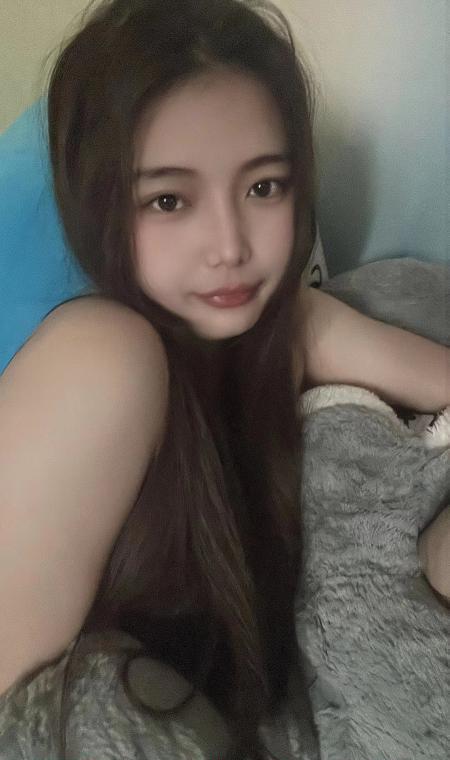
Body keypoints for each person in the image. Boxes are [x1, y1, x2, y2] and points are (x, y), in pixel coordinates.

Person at [0, 0, 448, 756]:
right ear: (99, 205)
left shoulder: (282, 328)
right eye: (169, 200)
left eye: (263, 187)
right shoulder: (100, 361)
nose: (230, 245)